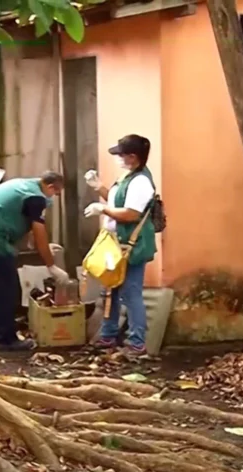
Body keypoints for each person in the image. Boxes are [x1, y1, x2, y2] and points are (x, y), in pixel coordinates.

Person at [0, 172, 71, 351]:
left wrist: (41, 247)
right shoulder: (36, 198)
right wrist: (51, 265)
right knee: (6, 290)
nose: (53, 198)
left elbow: (27, 224)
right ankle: (7, 340)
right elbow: (39, 231)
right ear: (51, 187)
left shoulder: (23, 185)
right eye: (56, 193)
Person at [83, 134, 156, 356]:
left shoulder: (141, 182)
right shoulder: (127, 176)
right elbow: (118, 201)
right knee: (110, 289)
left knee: (130, 294)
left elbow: (130, 213)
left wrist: (102, 209)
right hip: (115, 244)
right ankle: (108, 335)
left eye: (121, 154)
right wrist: (99, 188)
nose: (118, 158)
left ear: (132, 157)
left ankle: (137, 343)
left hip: (131, 245)